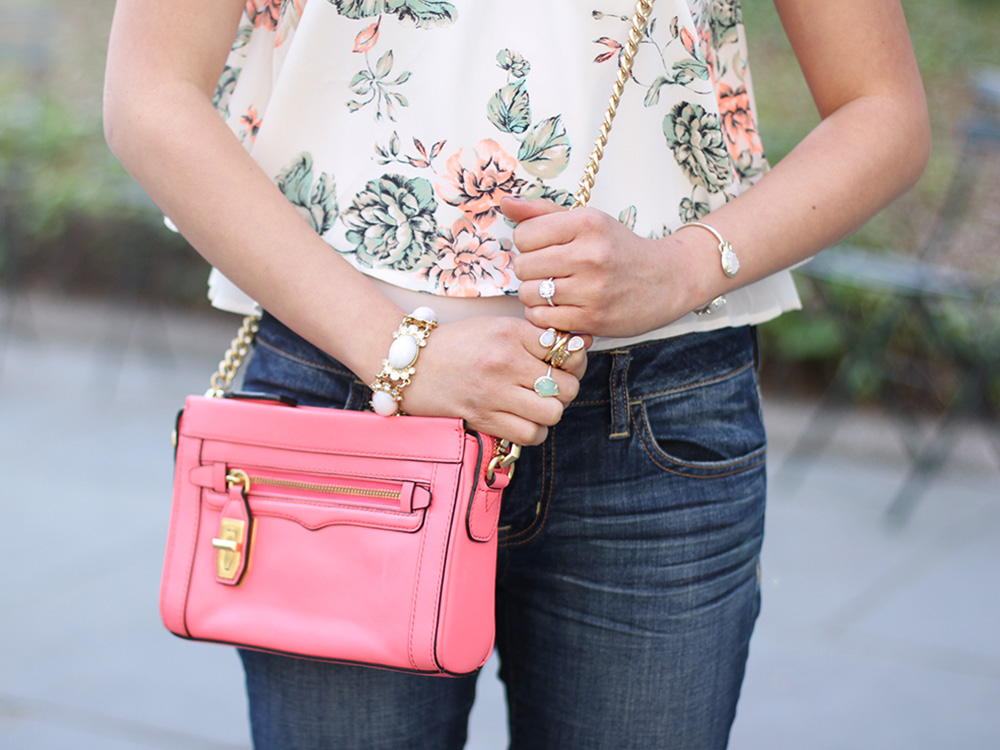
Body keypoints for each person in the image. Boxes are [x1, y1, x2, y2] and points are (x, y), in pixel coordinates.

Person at [103, 1, 929, 747]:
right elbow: (150, 93)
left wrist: (682, 269)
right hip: (346, 411)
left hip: (653, 428)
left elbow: (882, 108)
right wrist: (402, 352)